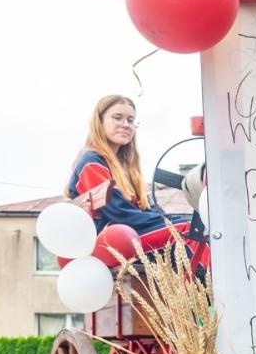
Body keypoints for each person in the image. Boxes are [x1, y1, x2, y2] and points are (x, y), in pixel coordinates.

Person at [64, 95, 189, 251]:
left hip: (129, 233)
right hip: (108, 241)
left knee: (194, 228)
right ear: (100, 121)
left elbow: (147, 208)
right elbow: (119, 212)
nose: (125, 125)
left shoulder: (126, 170)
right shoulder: (91, 162)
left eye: (130, 120)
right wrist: (172, 222)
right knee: (187, 231)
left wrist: (170, 219)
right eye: (117, 118)